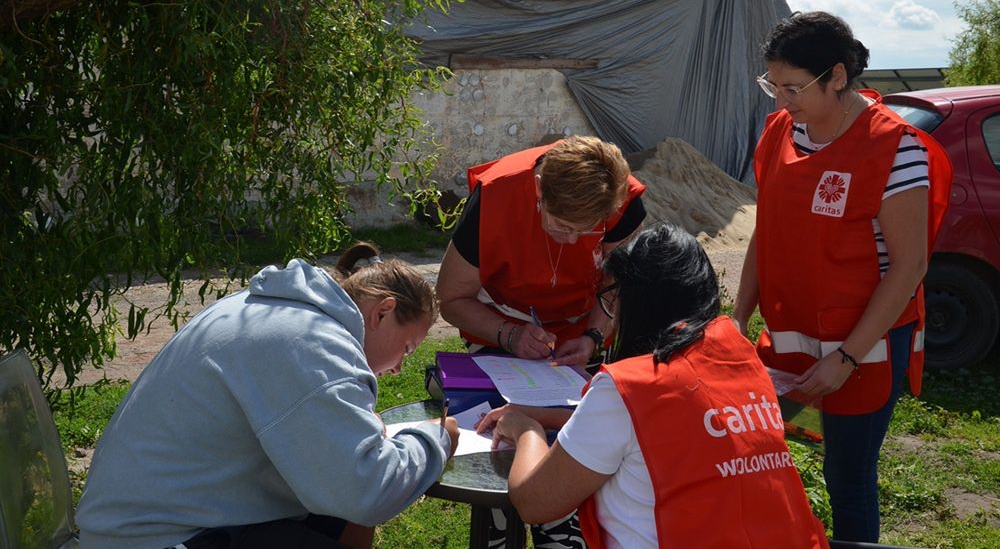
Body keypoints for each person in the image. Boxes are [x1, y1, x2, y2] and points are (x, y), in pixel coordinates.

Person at [75, 243, 459, 549]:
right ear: (383, 312)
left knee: (338, 518)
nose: (398, 368)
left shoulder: (281, 312)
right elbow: (366, 493)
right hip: (159, 537)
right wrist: (437, 438)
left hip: (143, 522)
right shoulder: (314, 342)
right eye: (407, 349)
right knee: (347, 509)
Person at [732, 11, 952, 542]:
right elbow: (768, 230)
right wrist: (738, 317)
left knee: (848, 476)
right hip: (792, 346)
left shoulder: (895, 148)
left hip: (864, 351)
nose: (781, 101)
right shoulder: (780, 132)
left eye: (793, 88)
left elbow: (910, 266)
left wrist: (847, 357)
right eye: (772, 85)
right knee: (774, 453)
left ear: (836, 76)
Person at [478, 223, 830, 549]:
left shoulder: (629, 385)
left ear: (638, 302)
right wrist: (547, 416)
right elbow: (663, 430)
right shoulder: (742, 362)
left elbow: (536, 502)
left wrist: (526, 429)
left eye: (613, 300)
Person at [437, 135, 647, 367]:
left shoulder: (621, 197)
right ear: (538, 188)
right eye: (562, 225)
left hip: (587, 325)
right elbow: (451, 299)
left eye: (586, 229)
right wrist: (509, 335)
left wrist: (593, 337)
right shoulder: (496, 195)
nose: (572, 240)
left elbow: (618, 284)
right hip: (501, 322)